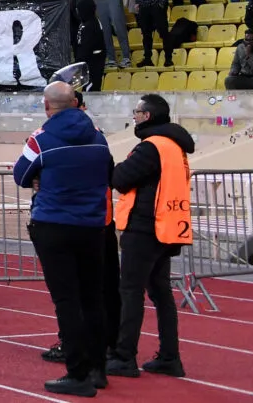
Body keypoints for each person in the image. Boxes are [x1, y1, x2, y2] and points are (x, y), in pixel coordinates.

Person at [15, 80, 113, 396]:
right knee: (93, 298)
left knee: (67, 301)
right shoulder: (98, 137)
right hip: (93, 225)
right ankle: (99, 368)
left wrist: (43, 179)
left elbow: (20, 175)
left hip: (54, 223)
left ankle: (77, 373)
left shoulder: (41, 140)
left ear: (47, 106)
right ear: (75, 103)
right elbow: (108, 171)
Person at [107, 94, 192, 379]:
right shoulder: (175, 146)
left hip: (145, 228)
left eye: (138, 112)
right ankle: (170, 356)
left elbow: (120, 178)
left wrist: (114, 168)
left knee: (130, 292)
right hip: (166, 226)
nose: (134, 116)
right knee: (160, 293)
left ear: (148, 116)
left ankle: (124, 356)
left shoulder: (151, 147)